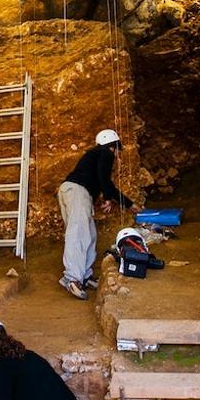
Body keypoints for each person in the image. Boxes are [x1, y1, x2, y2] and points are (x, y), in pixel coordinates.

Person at [56, 127, 134, 299]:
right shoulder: (104, 152)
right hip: (77, 192)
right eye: (115, 149)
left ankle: (84, 276)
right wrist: (122, 202)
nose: (115, 154)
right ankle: (72, 279)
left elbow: (104, 182)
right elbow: (104, 178)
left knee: (89, 235)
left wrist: (116, 200)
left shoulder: (95, 155)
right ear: (112, 145)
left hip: (74, 192)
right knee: (78, 234)